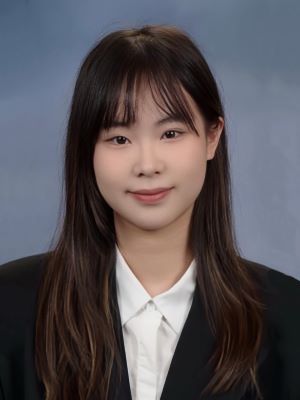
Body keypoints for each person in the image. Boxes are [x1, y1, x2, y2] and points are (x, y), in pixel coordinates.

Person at [0, 24, 299, 400]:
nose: (147, 164)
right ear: (86, 150)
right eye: (119, 139)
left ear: (211, 137)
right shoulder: (11, 307)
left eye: (170, 133)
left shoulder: (288, 317)